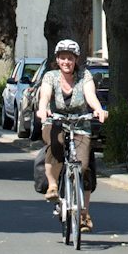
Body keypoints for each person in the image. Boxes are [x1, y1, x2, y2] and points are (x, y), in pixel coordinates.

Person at [36, 39, 108, 231]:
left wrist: (99, 109)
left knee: (83, 165)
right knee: (56, 143)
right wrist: (43, 109)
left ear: (76, 60)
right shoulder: (50, 76)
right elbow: (45, 96)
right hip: (55, 121)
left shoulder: (84, 76)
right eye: (63, 58)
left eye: (70, 58)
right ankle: (52, 186)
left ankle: (82, 211)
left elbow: (90, 95)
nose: (66, 62)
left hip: (80, 123)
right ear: (57, 60)